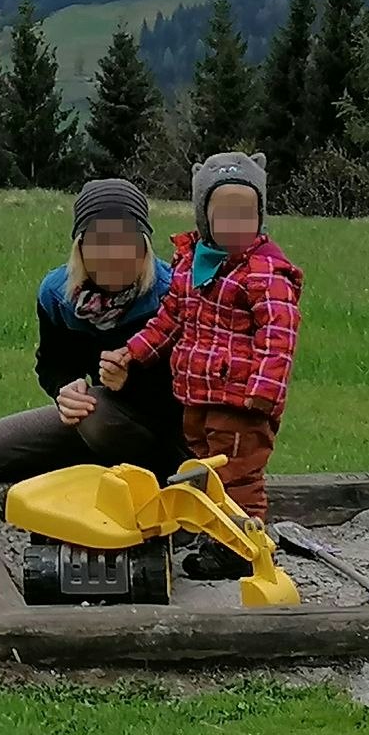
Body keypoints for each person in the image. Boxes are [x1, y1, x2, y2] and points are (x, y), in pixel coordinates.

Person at [104, 151, 298, 525]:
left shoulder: (265, 272)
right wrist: (132, 352)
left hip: (241, 400)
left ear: (260, 217)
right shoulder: (191, 263)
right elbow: (170, 320)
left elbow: (279, 336)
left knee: (238, 474)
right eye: (225, 215)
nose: (236, 225)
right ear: (204, 217)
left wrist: (262, 393)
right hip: (197, 393)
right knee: (200, 464)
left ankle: (241, 542)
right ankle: (209, 526)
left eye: (246, 215)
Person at [0, 178, 179, 484]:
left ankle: (147, 479)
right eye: (100, 241)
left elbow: (191, 395)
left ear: (144, 246)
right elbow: (52, 363)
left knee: (96, 415)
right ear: (81, 246)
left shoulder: (175, 294)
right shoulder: (57, 294)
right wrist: (65, 388)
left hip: (170, 435)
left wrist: (132, 380)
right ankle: (100, 472)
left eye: (126, 240)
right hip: (99, 418)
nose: (114, 254)